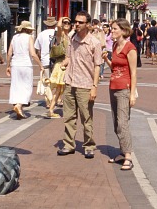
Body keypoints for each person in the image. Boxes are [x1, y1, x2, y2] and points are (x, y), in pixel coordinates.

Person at [57, 10, 102, 159]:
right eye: (75, 21)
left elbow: (97, 66)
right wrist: (64, 63)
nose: (76, 24)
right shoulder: (72, 39)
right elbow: (69, 57)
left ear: (88, 25)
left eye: (80, 22)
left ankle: (89, 145)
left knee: (86, 118)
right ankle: (69, 144)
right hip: (70, 82)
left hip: (85, 84)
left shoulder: (94, 43)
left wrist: (94, 87)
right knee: (69, 116)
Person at [101, 19, 137, 171]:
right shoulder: (115, 45)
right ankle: (122, 151)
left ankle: (128, 156)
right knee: (116, 123)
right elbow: (115, 67)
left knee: (123, 123)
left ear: (123, 30)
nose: (112, 31)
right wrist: (106, 60)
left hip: (124, 88)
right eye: (111, 28)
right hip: (113, 86)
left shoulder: (130, 48)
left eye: (115, 29)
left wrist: (132, 94)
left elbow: (134, 72)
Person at [6, 21, 44, 119]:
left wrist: (8, 65)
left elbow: (9, 53)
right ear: (27, 29)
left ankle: (19, 109)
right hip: (26, 64)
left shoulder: (14, 38)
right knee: (26, 86)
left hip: (15, 64)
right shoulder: (29, 38)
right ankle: (19, 105)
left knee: (16, 86)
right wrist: (40, 65)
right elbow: (32, 53)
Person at [47, 17, 72, 118]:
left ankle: (54, 109)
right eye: (65, 22)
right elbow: (58, 26)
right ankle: (51, 109)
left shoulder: (69, 36)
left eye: (68, 23)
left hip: (68, 65)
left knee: (64, 90)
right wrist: (62, 18)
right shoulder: (60, 35)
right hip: (61, 64)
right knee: (59, 89)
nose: (66, 24)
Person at [34, 16, 58, 85]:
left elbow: (37, 49)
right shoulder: (58, 34)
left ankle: (48, 95)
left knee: (46, 83)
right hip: (56, 61)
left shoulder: (41, 34)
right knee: (56, 84)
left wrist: (40, 58)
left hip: (45, 61)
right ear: (55, 24)